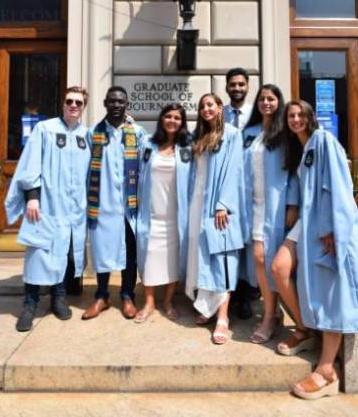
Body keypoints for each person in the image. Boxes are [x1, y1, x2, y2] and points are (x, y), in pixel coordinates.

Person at [273, 99, 358, 399]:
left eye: (300, 115)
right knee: (279, 267)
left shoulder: (324, 141)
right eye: (290, 116)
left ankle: (326, 370)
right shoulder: (302, 148)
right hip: (307, 226)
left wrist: (331, 229)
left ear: (309, 117)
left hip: (326, 227)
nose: (295, 119)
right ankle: (306, 328)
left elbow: (340, 186)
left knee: (331, 288)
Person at [5, 86, 90, 332]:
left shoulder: (87, 136)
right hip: (46, 206)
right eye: (69, 101)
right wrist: (32, 196)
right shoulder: (45, 129)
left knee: (64, 254)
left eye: (79, 102)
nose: (74, 105)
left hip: (74, 210)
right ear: (62, 104)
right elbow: (30, 164)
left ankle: (58, 298)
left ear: (83, 107)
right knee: (38, 255)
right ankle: (29, 305)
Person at [185, 93, 246, 345]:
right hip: (198, 203)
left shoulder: (231, 134)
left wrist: (224, 204)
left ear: (220, 108)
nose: (206, 109)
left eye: (210, 105)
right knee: (203, 259)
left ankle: (223, 317)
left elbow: (235, 170)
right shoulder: (199, 136)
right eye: (202, 106)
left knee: (222, 258)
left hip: (219, 206)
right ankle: (208, 308)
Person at [82, 86, 146, 320]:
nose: (117, 105)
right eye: (112, 101)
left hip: (129, 205)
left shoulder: (137, 133)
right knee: (102, 249)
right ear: (104, 103)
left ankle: (127, 295)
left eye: (121, 102)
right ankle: (101, 296)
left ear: (126, 104)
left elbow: (148, 164)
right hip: (102, 203)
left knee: (129, 252)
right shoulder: (93, 133)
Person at [243, 84, 299, 344]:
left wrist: (292, 203)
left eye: (271, 99)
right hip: (252, 205)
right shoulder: (250, 132)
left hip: (275, 206)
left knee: (267, 258)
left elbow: (293, 170)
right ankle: (272, 312)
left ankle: (269, 317)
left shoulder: (285, 133)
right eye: (263, 99)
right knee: (257, 259)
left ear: (279, 102)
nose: (266, 103)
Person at [135, 103, 192, 322]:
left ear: (182, 122)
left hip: (176, 215)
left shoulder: (187, 147)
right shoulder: (148, 144)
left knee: (172, 259)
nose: (172, 121)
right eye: (168, 116)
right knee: (149, 256)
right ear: (161, 119)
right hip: (152, 213)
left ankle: (168, 301)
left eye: (177, 118)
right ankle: (149, 302)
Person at [224, 67, 255, 319]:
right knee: (228, 242)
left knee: (246, 244)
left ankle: (245, 295)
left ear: (247, 86)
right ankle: (228, 294)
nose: (237, 88)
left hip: (251, 190)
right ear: (227, 87)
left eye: (241, 84)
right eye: (233, 84)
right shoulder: (219, 114)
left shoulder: (256, 115)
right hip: (226, 188)